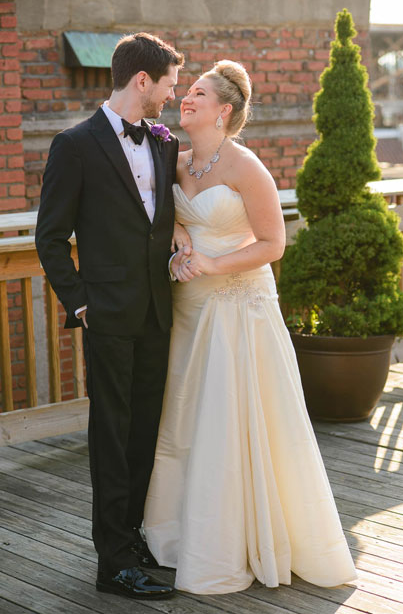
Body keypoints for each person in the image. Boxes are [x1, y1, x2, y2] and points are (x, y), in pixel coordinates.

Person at [143, 60, 358, 594]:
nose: (186, 98)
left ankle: (241, 541)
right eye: (186, 90)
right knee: (186, 418)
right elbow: (169, 218)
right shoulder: (177, 161)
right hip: (189, 309)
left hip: (240, 307)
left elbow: (272, 243)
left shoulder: (246, 167)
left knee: (237, 419)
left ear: (224, 110)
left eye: (198, 93)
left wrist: (213, 264)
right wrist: (179, 240)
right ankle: (179, 535)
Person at [35, 33, 186, 601]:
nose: (171, 96)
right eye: (168, 85)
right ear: (142, 81)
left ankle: (132, 538)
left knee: (145, 429)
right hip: (107, 314)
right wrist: (80, 302)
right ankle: (112, 562)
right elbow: (49, 237)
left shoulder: (163, 143)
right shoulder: (73, 145)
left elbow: (162, 220)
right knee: (112, 435)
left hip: (156, 309)